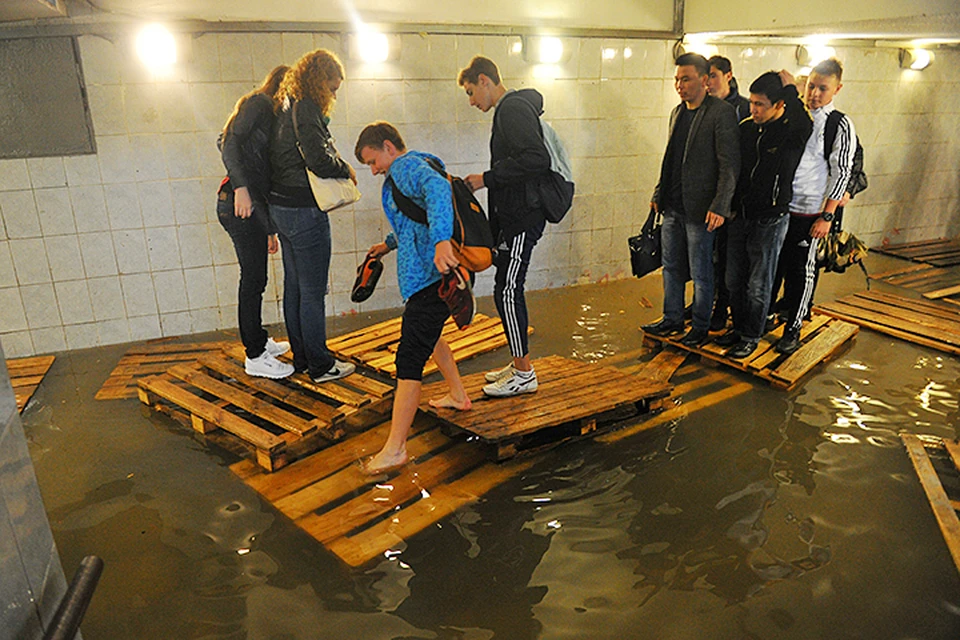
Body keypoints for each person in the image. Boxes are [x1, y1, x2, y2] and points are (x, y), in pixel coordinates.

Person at [355, 122, 471, 474]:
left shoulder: (404, 167)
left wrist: (440, 241)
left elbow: (436, 191)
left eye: (373, 161)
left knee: (408, 360)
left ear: (388, 147)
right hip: (427, 275)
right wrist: (388, 245)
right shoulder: (411, 167)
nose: (374, 170)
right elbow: (413, 220)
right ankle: (458, 396)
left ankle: (395, 449)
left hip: (429, 278)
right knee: (431, 337)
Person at [458, 55, 552, 397]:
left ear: (485, 80)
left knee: (509, 289)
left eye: (471, 92)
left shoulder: (511, 109)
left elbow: (536, 159)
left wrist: (486, 179)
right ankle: (518, 362)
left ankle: (525, 374)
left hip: (523, 216)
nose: (471, 102)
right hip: (515, 215)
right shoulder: (510, 109)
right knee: (504, 287)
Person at [268, 50, 357, 382]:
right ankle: (321, 366)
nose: (334, 95)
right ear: (319, 81)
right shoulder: (306, 108)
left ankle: (303, 359)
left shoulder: (286, 104)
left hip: (281, 208)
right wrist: (344, 168)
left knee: (295, 287)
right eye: (332, 88)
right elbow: (318, 160)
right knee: (313, 291)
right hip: (303, 210)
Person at [642, 53, 740, 347]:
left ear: (705, 79)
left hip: (702, 209)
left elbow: (729, 164)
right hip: (673, 205)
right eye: (677, 79)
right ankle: (671, 318)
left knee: (701, 272)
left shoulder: (720, 113)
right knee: (671, 266)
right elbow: (670, 158)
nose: (679, 85)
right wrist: (659, 193)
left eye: (685, 79)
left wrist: (720, 205)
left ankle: (699, 325)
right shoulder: (677, 112)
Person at [716, 70, 813, 359]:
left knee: (759, 283)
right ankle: (739, 326)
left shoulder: (790, 132)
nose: (753, 109)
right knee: (734, 279)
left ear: (778, 105)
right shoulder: (746, 128)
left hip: (771, 218)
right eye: (752, 102)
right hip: (741, 216)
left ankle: (750, 336)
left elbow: (803, 122)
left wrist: (791, 89)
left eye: (760, 104)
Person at [774, 58, 856, 354]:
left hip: (810, 210)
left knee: (801, 271)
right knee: (775, 267)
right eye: (811, 86)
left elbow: (842, 171)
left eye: (823, 88)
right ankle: (768, 317)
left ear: (837, 89)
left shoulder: (839, 124)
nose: (815, 94)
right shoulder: (794, 116)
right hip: (782, 206)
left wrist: (827, 215)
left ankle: (793, 327)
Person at [217, 65, 294, 379]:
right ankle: (255, 356)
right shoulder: (261, 104)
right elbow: (228, 143)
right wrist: (241, 189)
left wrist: (268, 228)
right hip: (237, 203)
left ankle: (259, 340)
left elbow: (260, 171)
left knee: (256, 280)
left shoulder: (268, 113)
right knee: (252, 281)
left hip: (250, 207)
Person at [706, 55, 751, 331]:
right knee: (705, 256)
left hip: (731, 202)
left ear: (728, 75)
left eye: (712, 75)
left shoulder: (743, 109)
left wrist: (729, 201)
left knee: (725, 259)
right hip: (707, 196)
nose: (708, 81)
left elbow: (739, 160)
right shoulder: (702, 107)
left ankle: (722, 309)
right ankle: (707, 301)